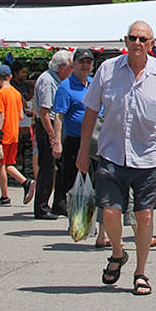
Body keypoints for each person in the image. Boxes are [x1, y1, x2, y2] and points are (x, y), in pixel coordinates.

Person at [76, 21, 156, 296]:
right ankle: (117, 253)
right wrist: (82, 150)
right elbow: (91, 111)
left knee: (144, 215)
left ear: (151, 44)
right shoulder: (108, 70)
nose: (137, 43)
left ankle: (140, 272)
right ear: (125, 41)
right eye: (132, 38)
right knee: (111, 212)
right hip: (112, 154)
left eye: (143, 39)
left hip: (149, 157)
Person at [52, 48, 94, 216]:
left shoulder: (93, 84)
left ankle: (89, 220)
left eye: (88, 62)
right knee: (72, 183)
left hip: (95, 141)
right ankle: (76, 219)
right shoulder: (65, 87)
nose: (85, 65)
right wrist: (57, 142)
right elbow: (59, 116)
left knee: (94, 182)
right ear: (74, 64)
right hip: (74, 141)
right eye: (81, 62)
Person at [32, 50, 73, 220]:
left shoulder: (58, 80)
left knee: (62, 167)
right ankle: (41, 206)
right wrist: (52, 136)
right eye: (70, 67)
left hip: (56, 126)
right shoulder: (48, 81)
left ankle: (59, 204)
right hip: (47, 126)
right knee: (48, 168)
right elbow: (44, 112)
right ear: (61, 67)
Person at [0, 63, 34, 206]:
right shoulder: (16, 93)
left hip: (3, 133)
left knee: (1, 164)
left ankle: (16, 188)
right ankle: (16, 188)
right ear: (11, 77)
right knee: (7, 163)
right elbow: (20, 115)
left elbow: (0, 115)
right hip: (14, 132)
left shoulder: (0, 93)